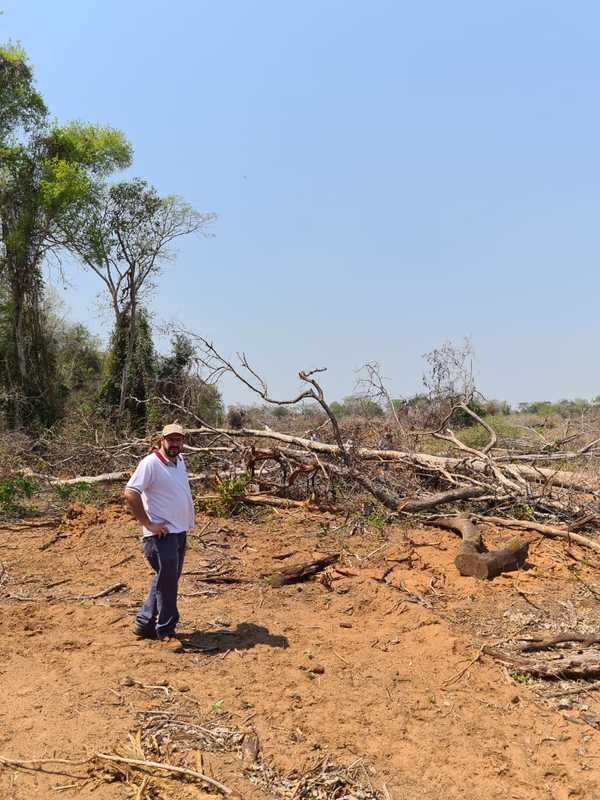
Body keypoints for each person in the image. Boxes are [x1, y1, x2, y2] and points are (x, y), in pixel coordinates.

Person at [124, 422, 195, 642]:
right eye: (170, 439)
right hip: (161, 535)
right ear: (161, 441)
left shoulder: (179, 461)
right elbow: (130, 492)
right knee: (168, 582)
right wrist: (148, 524)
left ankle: (144, 623)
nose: (174, 444)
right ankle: (166, 631)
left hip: (179, 531)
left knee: (166, 578)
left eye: (178, 440)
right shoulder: (150, 463)